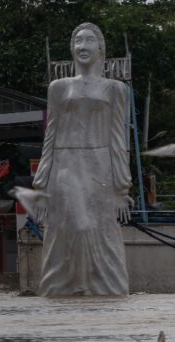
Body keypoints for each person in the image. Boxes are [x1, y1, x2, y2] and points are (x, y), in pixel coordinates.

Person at [33, 22, 132, 296]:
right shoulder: (58, 87)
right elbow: (49, 138)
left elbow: (118, 140)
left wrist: (122, 189)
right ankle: (62, 288)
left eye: (89, 41)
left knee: (103, 230)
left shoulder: (115, 89)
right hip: (65, 165)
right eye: (78, 41)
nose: (83, 46)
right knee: (76, 226)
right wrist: (41, 187)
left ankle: (107, 292)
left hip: (101, 167)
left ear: (101, 49)